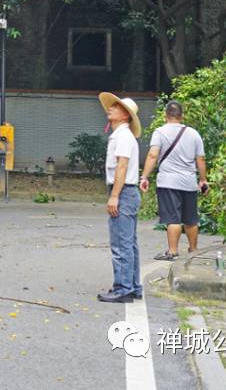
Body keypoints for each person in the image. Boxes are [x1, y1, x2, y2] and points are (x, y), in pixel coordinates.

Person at [140, 100, 208, 260]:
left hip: (168, 182)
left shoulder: (160, 132)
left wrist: (144, 176)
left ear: (165, 115)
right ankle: (193, 249)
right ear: (182, 116)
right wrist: (203, 180)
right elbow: (201, 160)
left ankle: (172, 251)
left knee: (173, 218)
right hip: (189, 182)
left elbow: (152, 155)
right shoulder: (193, 133)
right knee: (191, 219)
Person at [97, 92, 143, 303]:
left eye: (116, 107)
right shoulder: (123, 135)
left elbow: (121, 166)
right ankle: (132, 286)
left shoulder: (123, 137)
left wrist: (114, 195)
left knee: (121, 243)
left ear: (125, 115)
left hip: (123, 192)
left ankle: (123, 288)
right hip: (128, 191)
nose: (110, 108)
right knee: (129, 242)